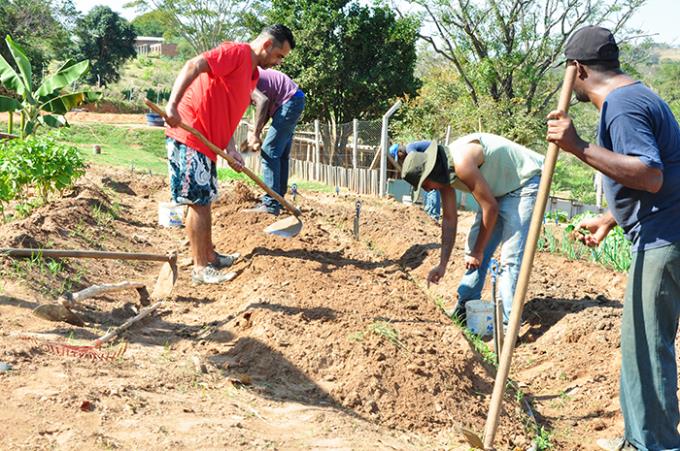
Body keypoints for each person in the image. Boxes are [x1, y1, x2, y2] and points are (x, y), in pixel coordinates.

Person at [546, 25, 680, 451]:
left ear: (578, 71)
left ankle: (654, 445)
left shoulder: (621, 106)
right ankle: (639, 438)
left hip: (663, 239)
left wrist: (577, 146)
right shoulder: (639, 95)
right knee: (640, 345)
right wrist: (612, 217)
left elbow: (651, 174)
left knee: (645, 347)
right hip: (661, 230)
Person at [164, 24, 295, 284]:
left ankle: (209, 255)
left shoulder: (253, 74)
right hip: (190, 133)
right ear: (267, 45)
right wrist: (172, 104)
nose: (278, 63)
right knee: (198, 202)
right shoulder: (236, 53)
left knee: (203, 199)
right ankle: (201, 269)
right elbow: (193, 65)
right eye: (279, 56)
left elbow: (229, 109)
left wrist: (231, 147)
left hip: (209, 142)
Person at [400, 133, 543, 324]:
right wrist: (442, 264)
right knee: (474, 250)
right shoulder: (444, 175)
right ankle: (466, 308)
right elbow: (450, 220)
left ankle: (507, 327)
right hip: (497, 189)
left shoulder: (461, 164)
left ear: (431, 172)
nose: (427, 190)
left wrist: (478, 251)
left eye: (424, 184)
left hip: (524, 181)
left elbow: (490, 208)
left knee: (510, 258)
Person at [245, 68, 305, 215]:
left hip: (289, 101)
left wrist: (256, 133)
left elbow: (263, 102)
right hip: (294, 99)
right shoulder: (246, 74)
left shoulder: (241, 79)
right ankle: (278, 197)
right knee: (280, 153)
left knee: (269, 152)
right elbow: (264, 108)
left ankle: (271, 204)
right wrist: (256, 133)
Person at [390, 141, 441, 221]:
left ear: (400, 151)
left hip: (437, 157)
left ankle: (434, 216)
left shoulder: (410, 149)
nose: (401, 159)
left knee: (432, 188)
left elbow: (418, 163)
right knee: (429, 187)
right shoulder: (411, 148)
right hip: (434, 159)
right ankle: (429, 214)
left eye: (399, 156)